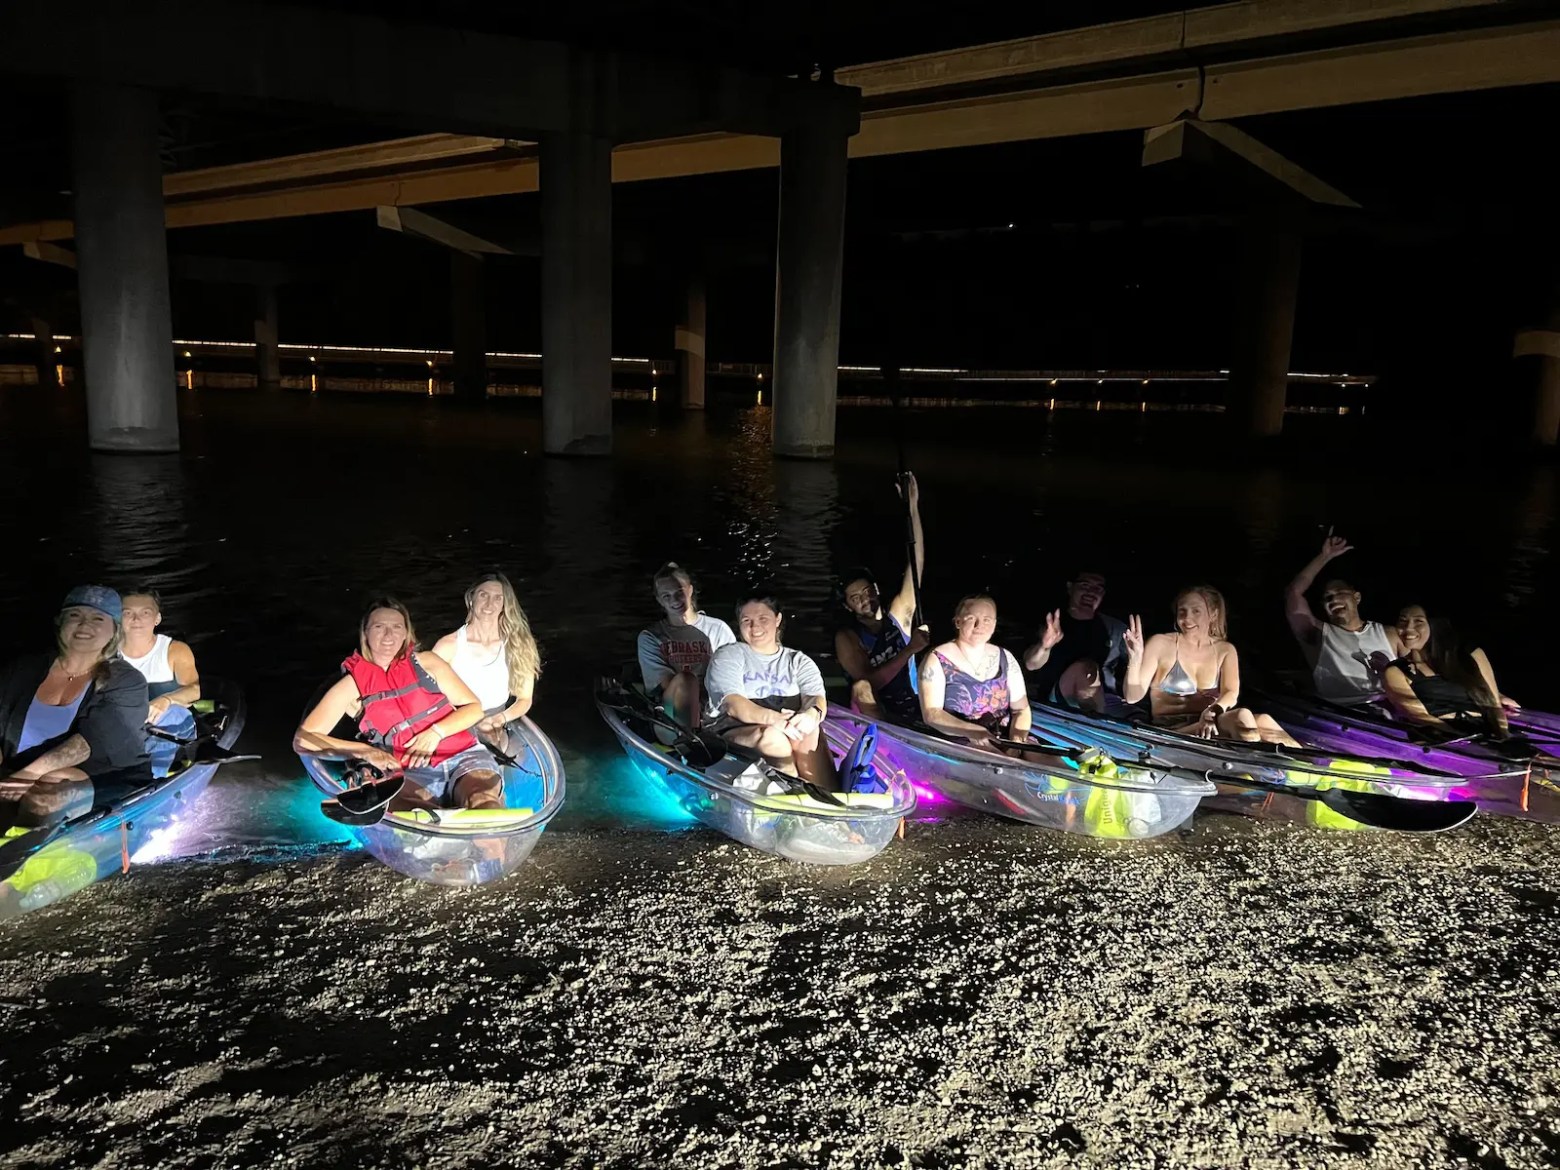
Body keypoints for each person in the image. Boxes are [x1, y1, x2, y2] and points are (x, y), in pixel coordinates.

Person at [295, 598, 502, 813]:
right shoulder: (351, 686)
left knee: (482, 801)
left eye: (396, 627)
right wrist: (364, 752)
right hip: (408, 770)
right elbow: (304, 740)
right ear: (365, 634)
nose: (388, 635)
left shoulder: (427, 662)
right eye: (379, 627)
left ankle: (491, 837)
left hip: (462, 755)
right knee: (417, 811)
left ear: (406, 633)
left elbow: (473, 708)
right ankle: (433, 823)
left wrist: (435, 733)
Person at [1, 586, 151, 832]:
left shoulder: (127, 682)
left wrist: (24, 778)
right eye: (75, 616)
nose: (84, 625)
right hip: (17, 770)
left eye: (97, 618)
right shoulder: (23, 669)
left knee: (44, 795)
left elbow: (88, 743)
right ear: (60, 622)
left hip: (103, 778)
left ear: (114, 630)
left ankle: (24, 854)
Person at [1122, 585, 1300, 745]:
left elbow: (1231, 692)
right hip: (1172, 731)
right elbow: (1132, 696)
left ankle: (1317, 769)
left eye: (1196, 611)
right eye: (1182, 611)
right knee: (1242, 716)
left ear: (1213, 614)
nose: (1187, 618)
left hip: (1209, 725)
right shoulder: (1160, 643)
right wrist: (1135, 659)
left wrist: (1213, 711)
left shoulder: (1225, 650)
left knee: (1264, 721)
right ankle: (1261, 770)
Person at [704, 595, 837, 790]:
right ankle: (792, 799)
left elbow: (815, 699)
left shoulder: (799, 661)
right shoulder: (728, 655)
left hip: (785, 726)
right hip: (734, 732)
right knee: (772, 737)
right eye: (746, 621)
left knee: (810, 731)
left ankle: (826, 798)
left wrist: (810, 715)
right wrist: (776, 720)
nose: (755, 627)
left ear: (778, 619)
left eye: (762, 619)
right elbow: (733, 704)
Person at [834, 472, 929, 725]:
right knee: (862, 687)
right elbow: (870, 680)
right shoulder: (848, 637)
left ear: (876, 589)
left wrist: (912, 509)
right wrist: (910, 650)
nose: (864, 600)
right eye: (855, 598)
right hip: (875, 710)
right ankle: (888, 739)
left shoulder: (897, 614)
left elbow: (915, 564)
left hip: (912, 702)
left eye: (867, 592)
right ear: (847, 605)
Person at [1283, 530, 1402, 703]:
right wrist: (1324, 556)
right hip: (1344, 716)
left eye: (1340, 592)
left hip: (1391, 711)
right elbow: (1293, 592)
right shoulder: (1317, 634)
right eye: (1327, 597)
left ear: (1357, 597)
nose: (1334, 599)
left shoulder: (1389, 633)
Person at [431, 572, 542, 752]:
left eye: (498, 598)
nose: (489, 604)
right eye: (483, 595)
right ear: (471, 598)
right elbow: (427, 697)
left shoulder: (518, 645)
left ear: (505, 605)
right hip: (453, 721)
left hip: (495, 722)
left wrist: (499, 719)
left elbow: (524, 698)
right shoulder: (448, 646)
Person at [919, 594, 1033, 753]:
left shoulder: (1005, 657)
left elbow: (1021, 710)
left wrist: (1016, 743)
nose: (979, 625)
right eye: (972, 618)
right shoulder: (937, 659)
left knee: (1049, 762)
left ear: (994, 625)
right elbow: (932, 714)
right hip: (960, 740)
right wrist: (972, 731)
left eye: (987, 620)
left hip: (1005, 737)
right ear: (958, 621)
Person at [635, 562, 735, 733]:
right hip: (672, 712)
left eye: (679, 592)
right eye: (666, 596)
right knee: (686, 680)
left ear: (689, 590)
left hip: (715, 708)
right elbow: (665, 684)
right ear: (659, 600)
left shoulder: (718, 629)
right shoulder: (650, 637)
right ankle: (691, 739)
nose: (674, 600)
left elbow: (732, 672)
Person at [1380, 606, 1509, 735]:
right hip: (1441, 737)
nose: (1408, 628)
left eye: (1418, 621)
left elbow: (1494, 705)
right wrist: (1461, 739)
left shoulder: (1470, 654)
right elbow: (1419, 716)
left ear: (1435, 624)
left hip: (1485, 732)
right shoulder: (1396, 671)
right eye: (1402, 621)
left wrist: (1503, 736)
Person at [119, 588, 201, 775]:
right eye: (128, 613)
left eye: (145, 613)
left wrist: (165, 700)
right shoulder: (106, 654)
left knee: (171, 713)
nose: (136, 619)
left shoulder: (175, 650)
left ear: (157, 619)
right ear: (118, 618)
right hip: (126, 726)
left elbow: (194, 690)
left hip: (170, 726)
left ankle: (149, 778)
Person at [1023, 570, 1129, 713]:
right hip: (1058, 702)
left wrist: (1137, 658)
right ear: (1070, 587)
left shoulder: (1115, 629)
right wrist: (1044, 647)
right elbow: (1031, 664)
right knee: (1085, 667)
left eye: (1097, 588)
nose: (1091, 592)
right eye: (1084, 585)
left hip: (1107, 700)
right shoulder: (1052, 623)